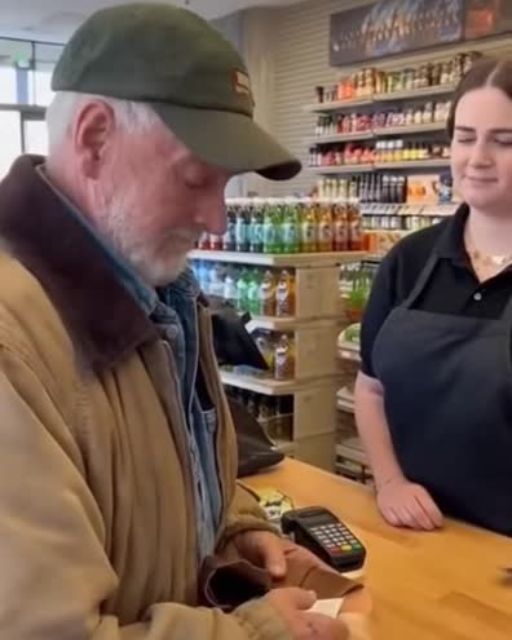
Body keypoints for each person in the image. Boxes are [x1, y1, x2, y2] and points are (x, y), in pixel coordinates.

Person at [0, 4, 350, 640]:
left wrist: (231, 527)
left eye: (225, 184)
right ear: (95, 139)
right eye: (194, 178)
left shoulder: (161, 293)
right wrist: (252, 634)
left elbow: (158, 478)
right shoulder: (13, 345)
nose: (217, 219)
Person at [355, 56, 512, 537]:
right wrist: (390, 483)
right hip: (412, 536)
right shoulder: (409, 260)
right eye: (465, 138)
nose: (477, 158)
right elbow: (370, 388)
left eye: (504, 141)